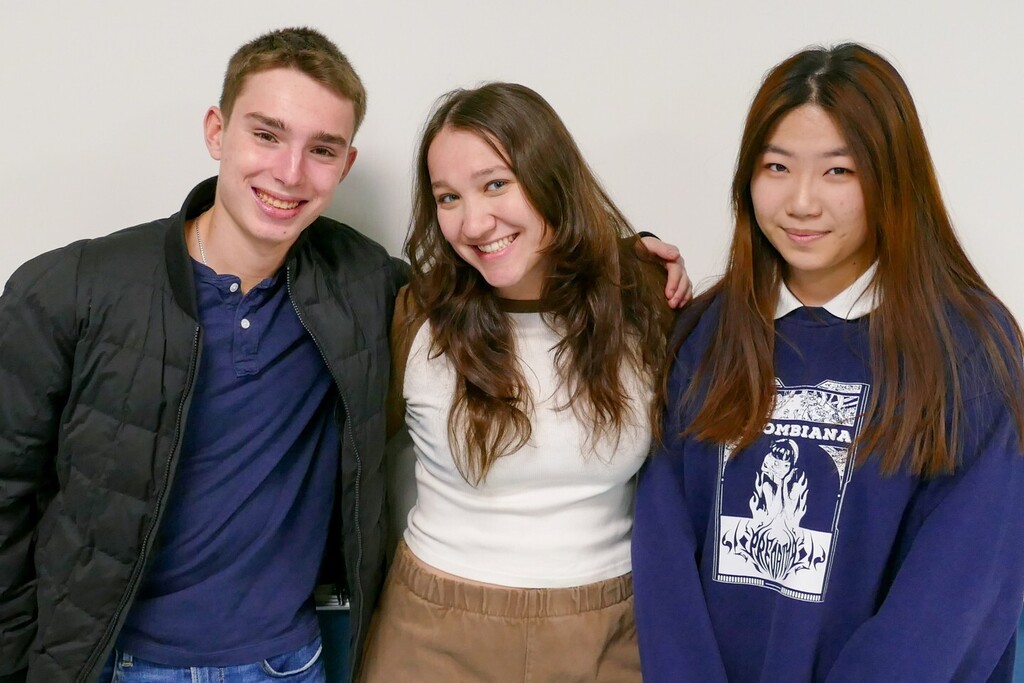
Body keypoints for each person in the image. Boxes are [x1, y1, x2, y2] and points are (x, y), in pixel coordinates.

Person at [0, 28, 689, 683]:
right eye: (266, 134)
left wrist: (628, 261)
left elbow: (522, 276)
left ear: (346, 164)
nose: (289, 171)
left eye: (322, 148)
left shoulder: (364, 289)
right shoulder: (75, 288)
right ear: (217, 131)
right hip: (113, 659)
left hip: (289, 661)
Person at [632, 43, 1024, 682]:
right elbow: (663, 559)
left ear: (892, 180)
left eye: (838, 172)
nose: (801, 203)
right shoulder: (705, 333)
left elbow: (958, 595)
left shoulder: (968, 350)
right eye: (777, 167)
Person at [357, 82, 677, 683]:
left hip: (608, 631)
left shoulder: (644, 306)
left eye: (496, 183)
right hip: (433, 633)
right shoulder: (414, 315)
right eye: (448, 197)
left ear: (551, 178)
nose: (475, 222)